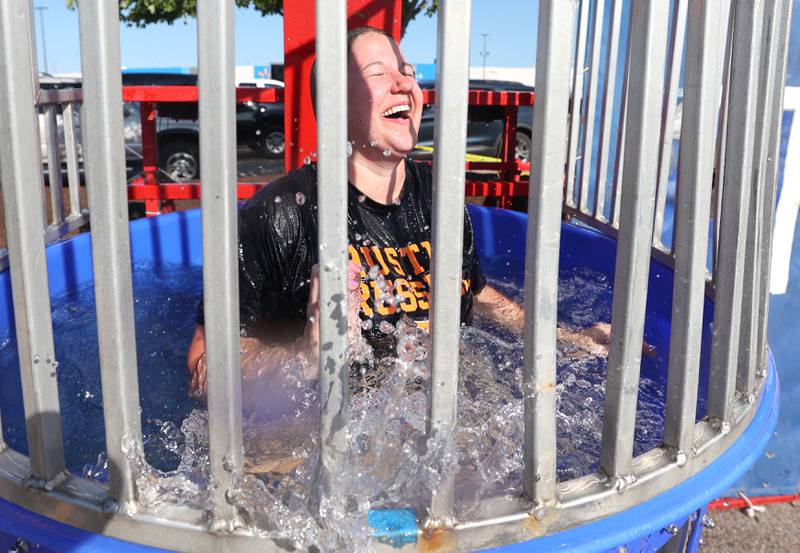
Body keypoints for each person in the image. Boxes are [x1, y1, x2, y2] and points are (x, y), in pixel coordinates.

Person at [186, 26, 611, 400]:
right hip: (320, 424)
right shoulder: (279, 215)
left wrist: (560, 340)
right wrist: (305, 356)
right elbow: (204, 370)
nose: (404, 84)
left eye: (407, 72)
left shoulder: (437, 195)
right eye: (378, 74)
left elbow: (472, 291)